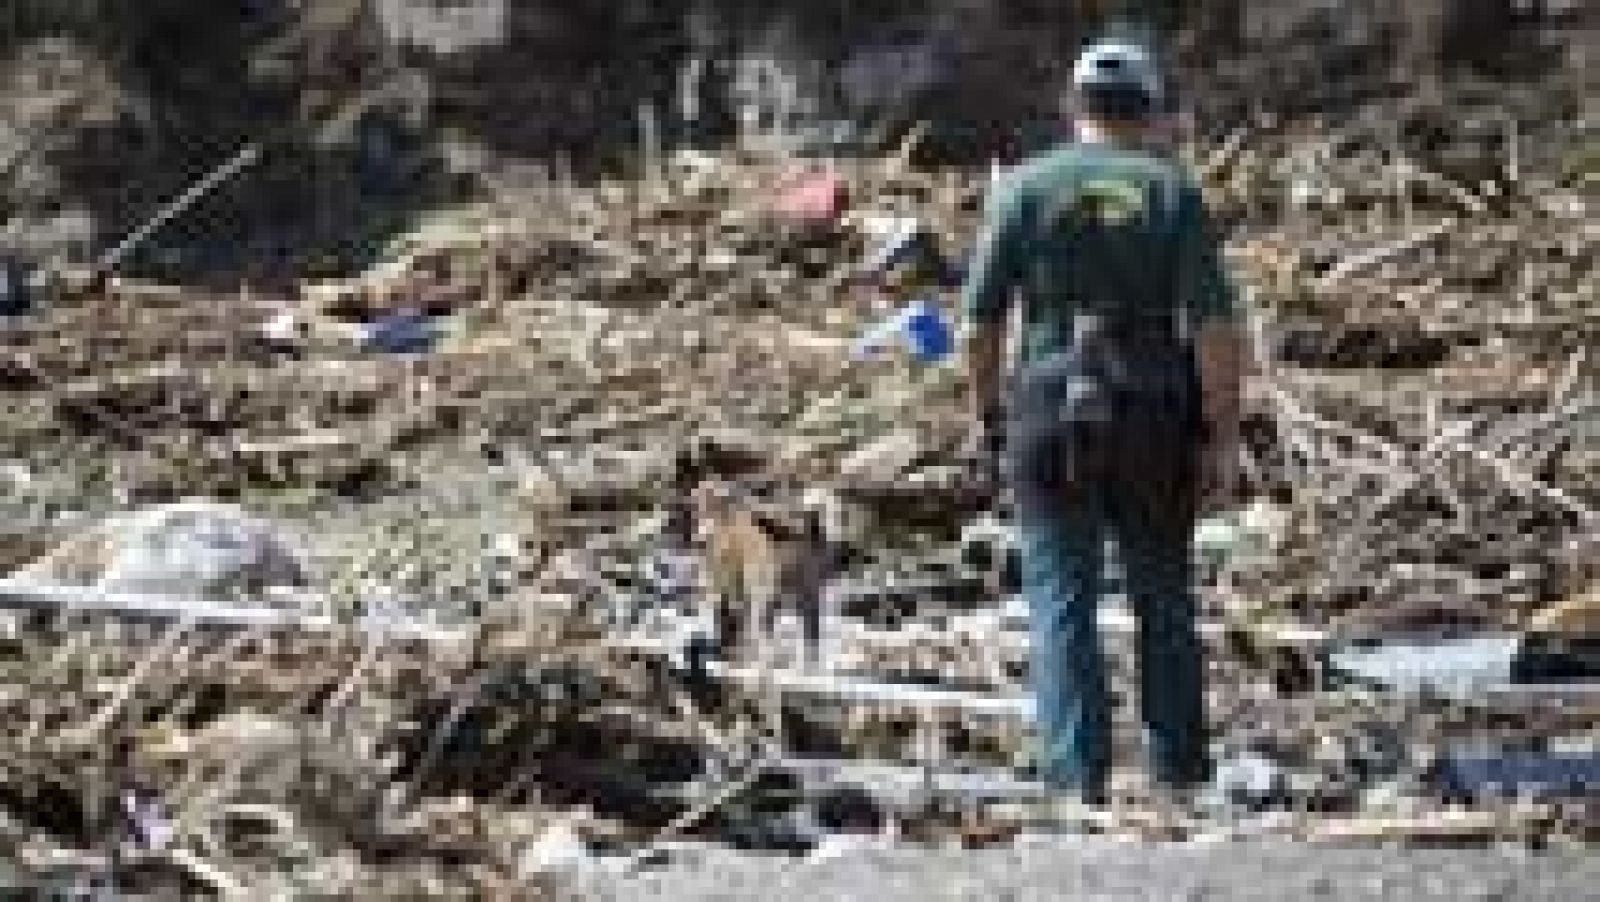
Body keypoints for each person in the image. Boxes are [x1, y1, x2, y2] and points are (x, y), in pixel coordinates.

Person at [958, 38, 1246, 807]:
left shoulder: (1021, 190)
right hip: (1153, 404)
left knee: (1061, 600)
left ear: (1072, 109)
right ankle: (1179, 773)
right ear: (1152, 112)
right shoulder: (1172, 193)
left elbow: (979, 323)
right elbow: (1215, 326)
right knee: (1162, 593)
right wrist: (1221, 433)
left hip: (1048, 405)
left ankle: (1076, 779)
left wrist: (988, 414)